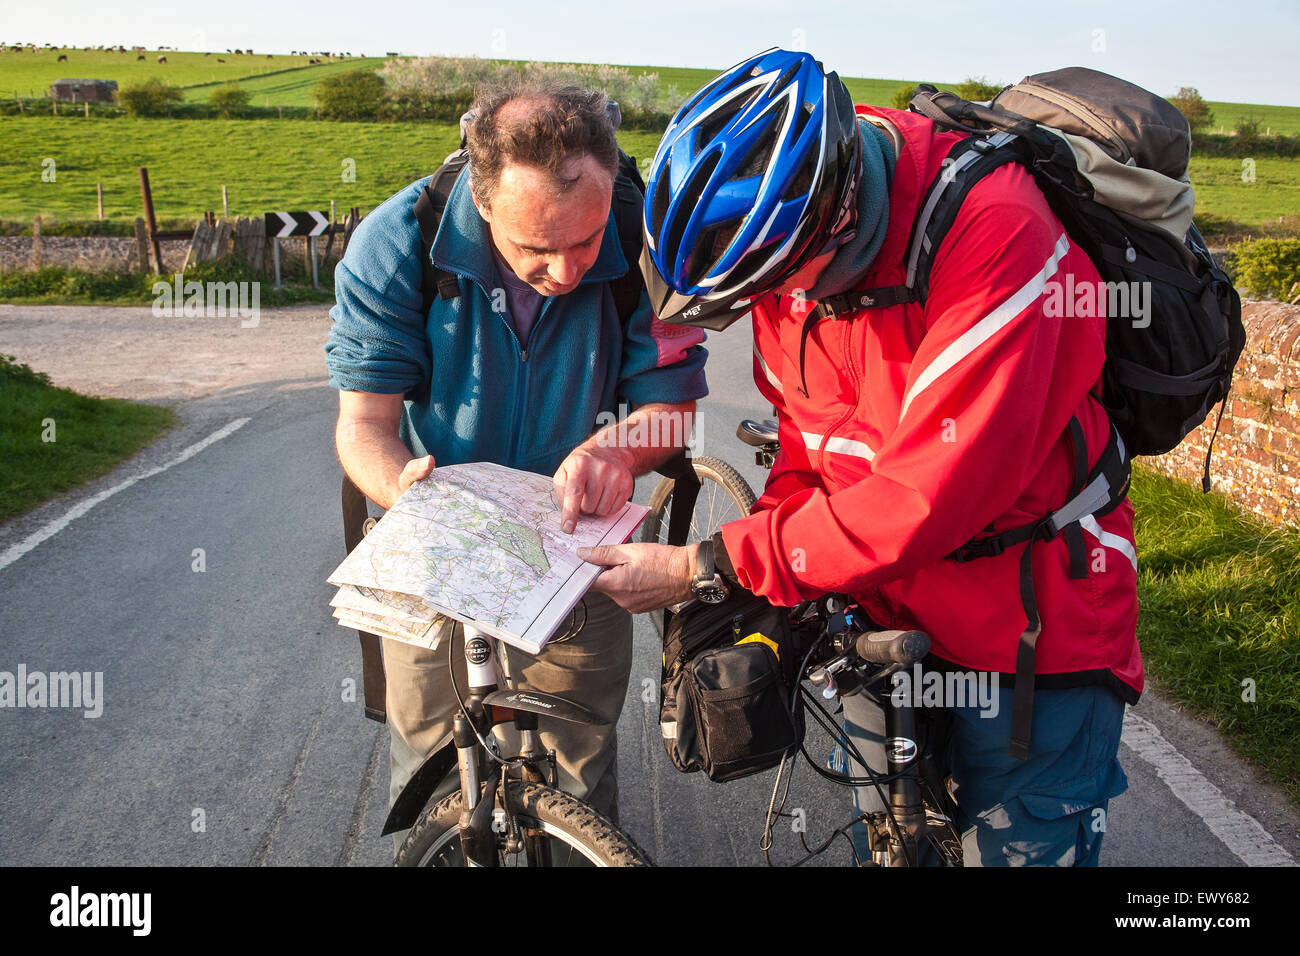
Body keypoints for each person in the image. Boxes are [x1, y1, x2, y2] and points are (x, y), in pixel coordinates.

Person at [579, 48, 1140, 866]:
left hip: (1028, 617)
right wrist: (770, 565)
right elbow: (811, 443)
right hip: (877, 601)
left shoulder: (996, 231)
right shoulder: (783, 246)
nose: (778, 304)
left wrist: (711, 560)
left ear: (838, 214)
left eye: (779, 283)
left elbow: (928, 494)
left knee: (1021, 848)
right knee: (885, 834)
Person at [324, 82, 707, 850]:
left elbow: (677, 410)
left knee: (579, 766)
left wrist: (616, 447)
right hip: (435, 534)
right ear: (482, 200)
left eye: (585, 241)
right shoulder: (399, 241)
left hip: (581, 547)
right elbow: (363, 424)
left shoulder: (646, 242)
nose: (565, 271)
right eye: (536, 248)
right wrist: (402, 487)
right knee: (435, 759)